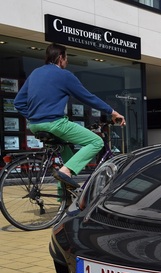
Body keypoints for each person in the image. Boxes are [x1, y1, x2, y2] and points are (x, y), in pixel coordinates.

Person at [14, 43, 125, 189]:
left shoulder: (35, 73)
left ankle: (65, 201)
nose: (67, 62)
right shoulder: (64, 75)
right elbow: (88, 97)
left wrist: (35, 116)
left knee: (66, 156)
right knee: (96, 142)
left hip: (34, 125)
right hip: (55, 123)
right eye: (66, 58)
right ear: (60, 58)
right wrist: (112, 112)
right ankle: (65, 172)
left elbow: (18, 102)